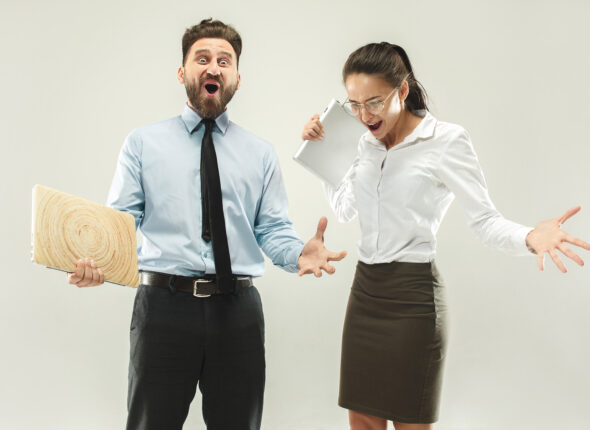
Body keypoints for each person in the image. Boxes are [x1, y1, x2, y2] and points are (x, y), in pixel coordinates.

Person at [66, 18, 346, 430]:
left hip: (238, 313)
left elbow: (270, 229)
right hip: (162, 308)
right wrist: (97, 263)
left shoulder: (260, 154)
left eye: (224, 60)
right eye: (202, 58)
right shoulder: (142, 143)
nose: (213, 67)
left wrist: (297, 252)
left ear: (236, 78)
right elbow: (121, 222)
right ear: (183, 72)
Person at [301, 42, 590, 430]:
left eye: (373, 102)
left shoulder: (446, 141)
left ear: (402, 91)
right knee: (364, 422)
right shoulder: (364, 143)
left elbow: (486, 221)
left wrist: (528, 237)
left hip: (413, 298)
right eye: (353, 104)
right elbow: (345, 209)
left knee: (410, 423)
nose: (363, 115)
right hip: (365, 292)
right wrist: (321, 154)